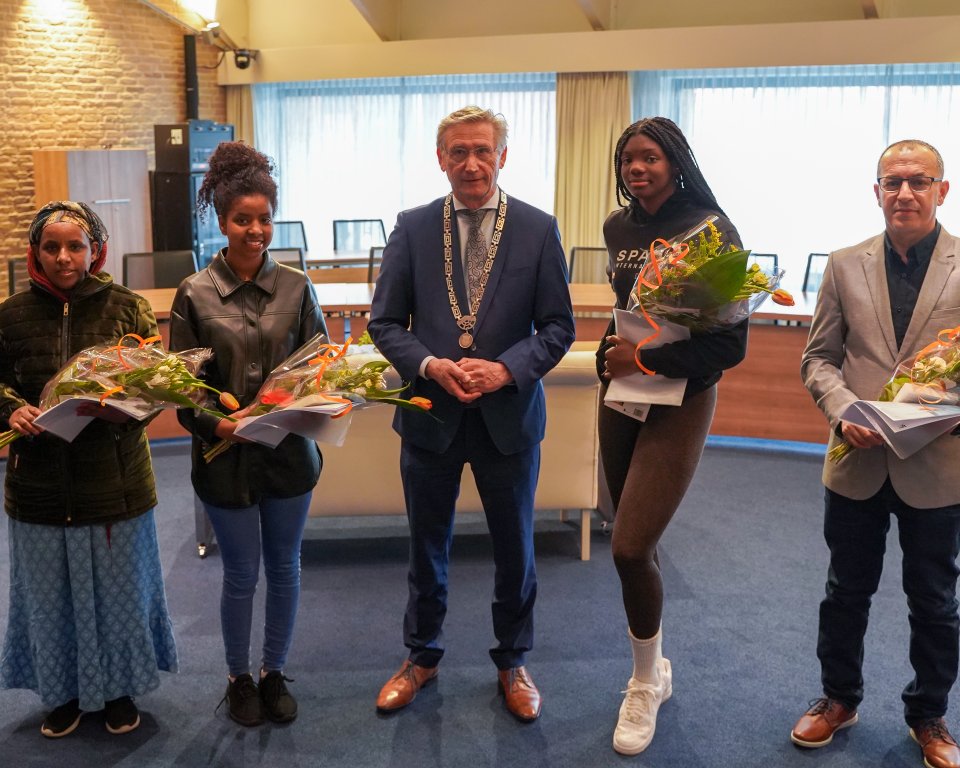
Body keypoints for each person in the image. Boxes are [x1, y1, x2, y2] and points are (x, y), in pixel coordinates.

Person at [368, 105, 575, 722]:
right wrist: (431, 365)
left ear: (503, 156)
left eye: (483, 150)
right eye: (458, 152)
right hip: (431, 410)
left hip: (507, 417)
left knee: (515, 550)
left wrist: (506, 368)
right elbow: (384, 323)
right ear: (441, 159)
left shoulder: (538, 229)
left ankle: (513, 660)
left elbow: (559, 327)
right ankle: (421, 656)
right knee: (425, 547)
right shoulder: (410, 227)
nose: (471, 163)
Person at [793, 139, 960, 768]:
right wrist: (843, 411)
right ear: (877, 191)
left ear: (943, 190)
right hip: (857, 459)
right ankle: (838, 698)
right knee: (845, 590)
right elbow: (819, 358)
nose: (905, 193)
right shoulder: (844, 263)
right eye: (893, 182)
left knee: (935, 599)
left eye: (919, 181)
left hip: (938, 463)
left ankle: (930, 716)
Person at [596, 117, 747, 755]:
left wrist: (649, 362)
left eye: (650, 157)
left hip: (681, 397)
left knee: (630, 548)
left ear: (674, 161)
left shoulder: (710, 229)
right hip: (622, 393)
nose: (637, 168)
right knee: (630, 538)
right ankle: (652, 660)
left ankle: (644, 680)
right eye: (628, 158)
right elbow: (628, 306)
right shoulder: (617, 227)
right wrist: (617, 349)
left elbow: (731, 343)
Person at [0, 201, 178, 738]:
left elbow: (155, 391)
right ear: (36, 250)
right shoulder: (9, 315)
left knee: (119, 592)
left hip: (115, 482)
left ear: (95, 249)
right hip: (38, 485)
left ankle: (120, 691)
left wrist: (119, 408)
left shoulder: (127, 309)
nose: (62, 257)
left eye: (74, 246)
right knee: (49, 595)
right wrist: (10, 406)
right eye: (51, 246)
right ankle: (63, 694)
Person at [169, 142, 326, 728]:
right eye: (243, 219)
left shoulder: (296, 286)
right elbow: (182, 386)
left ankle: (273, 671)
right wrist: (219, 421)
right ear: (221, 219)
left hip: (289, 456)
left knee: (285, 567)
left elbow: (317, 366)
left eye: (264, 218)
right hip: (225, 457)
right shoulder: (194, 292)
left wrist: (312, 402)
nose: (255, 230)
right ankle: (238, 679)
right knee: (240, 573)